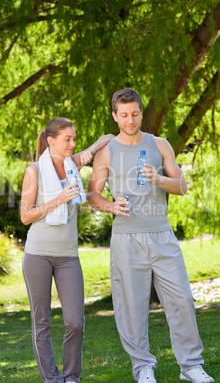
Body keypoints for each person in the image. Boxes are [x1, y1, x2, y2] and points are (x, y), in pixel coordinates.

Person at [87, 88, 215, 383]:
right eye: (123, 115)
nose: (130, 120)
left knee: (182, 298)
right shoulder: (107, 151)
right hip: (126, 237)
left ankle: (191, 366)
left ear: (141, 112)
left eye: (134, 114)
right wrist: (110, 205)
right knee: (131, 305)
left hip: (161, 233)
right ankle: (143, 367)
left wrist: (160, 179)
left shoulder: (160, 145)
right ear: (114, 116)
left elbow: (181, 187)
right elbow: (93, 194)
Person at [21, 117, 113, 383]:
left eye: (74, 138)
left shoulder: (73, 165)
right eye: (67, 139)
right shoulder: (34, 171)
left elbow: (91, 151)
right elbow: (26, 216)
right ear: (51, 141)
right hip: (38, 255)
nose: (73, 144)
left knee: (75, 321)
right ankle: (52, 379)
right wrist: (58, 199)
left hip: (68, 257)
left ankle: (71, 376)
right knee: (43, 322)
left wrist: (106, 140)